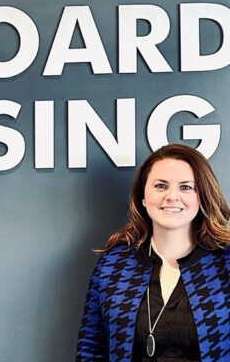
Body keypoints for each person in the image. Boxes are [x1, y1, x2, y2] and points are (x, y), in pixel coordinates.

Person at [76, 144, 230, 362]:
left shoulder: (225, 263)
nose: (172, 196)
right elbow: (90, 350)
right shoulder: (112, 266)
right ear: (143, 197)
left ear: (202, 196)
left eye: (186, 187)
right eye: (160, 186)